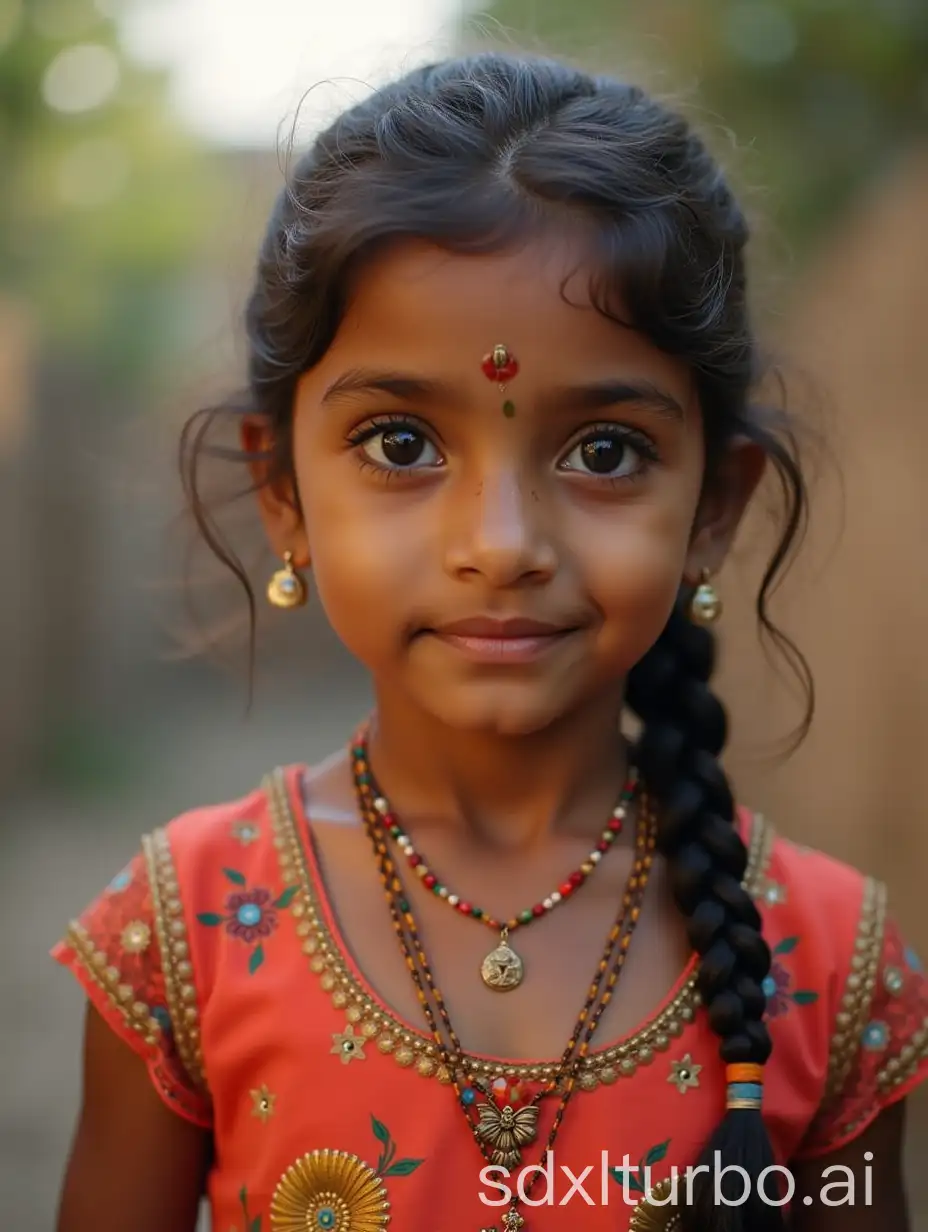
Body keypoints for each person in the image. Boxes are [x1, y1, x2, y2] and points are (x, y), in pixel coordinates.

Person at [51, 52, 928, 1232]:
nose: (502, 543)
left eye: (605, 450)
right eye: (402, 442)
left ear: (714, 505)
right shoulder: (185, 927)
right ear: (283, 494)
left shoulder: (827, 957)